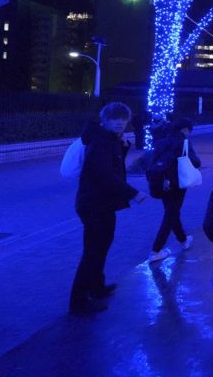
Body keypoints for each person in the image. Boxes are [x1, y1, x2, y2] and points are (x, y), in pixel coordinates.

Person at [69, 102, 147, 316]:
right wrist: (134, 193)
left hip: (102, 203)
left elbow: (113, 167)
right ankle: (79, 300)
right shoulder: (101, 140)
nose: (120, 122)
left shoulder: (110, 139)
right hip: (93, 203)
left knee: (102, 245)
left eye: (123, 118)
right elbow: (104, 175)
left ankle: (97, 287)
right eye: (115, 118)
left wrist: (122, 146)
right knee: (93, 250)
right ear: (105, 120)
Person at [147, 118, 200, 263]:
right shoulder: (184, 142)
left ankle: (183, 240)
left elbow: (154, 162)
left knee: (172, 212)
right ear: (185, 129)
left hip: (162, 182)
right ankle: (156, 250)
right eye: (189, 131)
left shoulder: (161, 141)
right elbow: (196, 162)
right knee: (171, 214)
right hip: (178, 183)